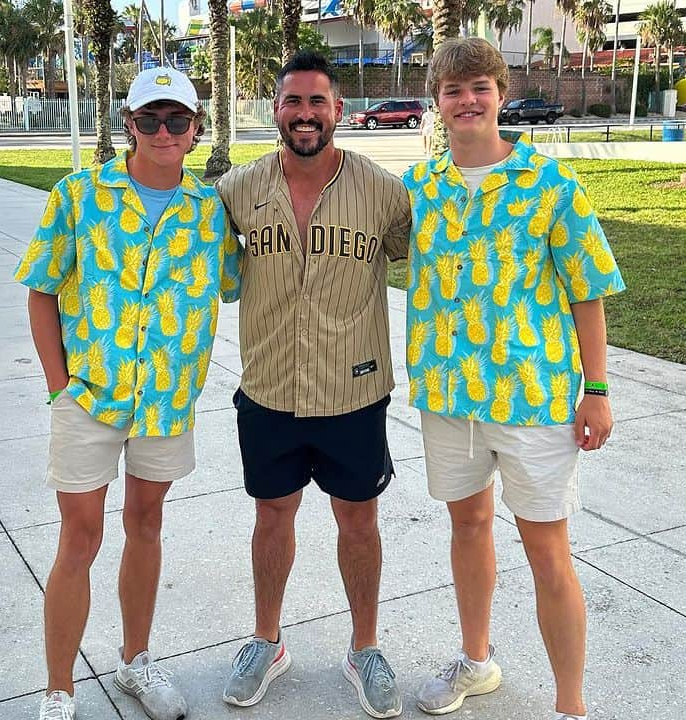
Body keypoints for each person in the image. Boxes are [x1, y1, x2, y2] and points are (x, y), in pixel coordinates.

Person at [402, 38, 625, 718]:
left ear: (501, 94)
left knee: (547, 549)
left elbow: (588, 289)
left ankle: (570, 704)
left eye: (480, 87)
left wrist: (598, 390)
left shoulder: (551, 185)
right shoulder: (419, 188)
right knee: (467, 525)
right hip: (448, 395)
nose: (467, 100)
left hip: (531, 396)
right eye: (453, 90)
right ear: (436, 103)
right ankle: (476, 661)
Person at [14, 67, 241, 720]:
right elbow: (42, 289)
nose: (164, 132)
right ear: (129, 125)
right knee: (79, 538)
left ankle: (136, 662)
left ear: (196, 130)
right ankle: (59, 689)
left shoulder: (208, 210)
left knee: (146, 524)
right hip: (90, 398)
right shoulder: (79, 196)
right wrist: (59, 388)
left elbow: (237, 284)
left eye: (178, 120)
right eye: (150, 120)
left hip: (166, 405)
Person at [215, 51, 412, 719]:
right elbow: (199, 272)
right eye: (293, 102)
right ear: (274, 110)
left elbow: (441, 264)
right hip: (269, 387)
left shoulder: (385, 193)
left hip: (352, 390)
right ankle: (266, 642)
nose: (305, 114)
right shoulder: (237, 192)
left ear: (339, 112)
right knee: (273, 516)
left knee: (359, 520)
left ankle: (364, 649)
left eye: (317, 103)